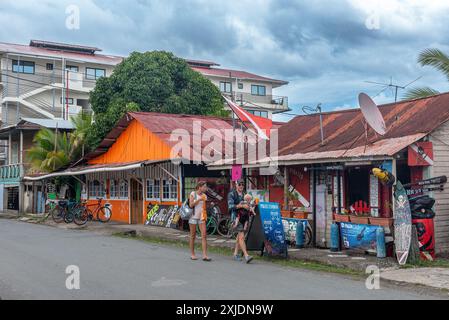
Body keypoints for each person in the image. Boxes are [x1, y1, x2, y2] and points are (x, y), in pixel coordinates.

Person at [189, 181, 211, 261]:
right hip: (193, 217)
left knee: (204, 235)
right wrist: (199, 200)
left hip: (201, 217)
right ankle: (192, 254)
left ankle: (205, 255)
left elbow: (204, 207)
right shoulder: (193, 194)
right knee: (193, 236)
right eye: (204, 187)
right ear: (199, 187)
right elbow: (191, 205)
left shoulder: (205, 195)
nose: (205, 188)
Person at [232, 194, 255, 263]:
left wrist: (253, 211)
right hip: (238, 220)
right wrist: (235, 223)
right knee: (242, 238)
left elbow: (249, 213)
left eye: (249, 199)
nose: (248, 200)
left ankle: (235, 254)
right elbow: (233, 209)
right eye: (247, 199)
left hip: (243, 221)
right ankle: (246, 255)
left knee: (239, 238)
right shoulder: (241, 203)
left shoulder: (249, 205)